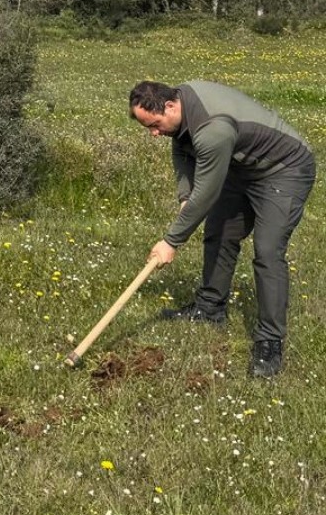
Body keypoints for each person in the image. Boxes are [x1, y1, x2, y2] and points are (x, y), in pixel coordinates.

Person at [129, 80, 316, 378]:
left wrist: (171, 241)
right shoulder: (180, 106)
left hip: (285, 169)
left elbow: (207, 194)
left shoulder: (212, 129)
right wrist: (185, 196)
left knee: (268, 250)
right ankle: (210, 308)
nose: (153, 134)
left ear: (169, 106)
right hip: (243, 167)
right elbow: (180, 149)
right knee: (219, 232)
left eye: (154, 125)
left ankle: (270, 339)